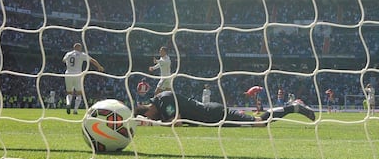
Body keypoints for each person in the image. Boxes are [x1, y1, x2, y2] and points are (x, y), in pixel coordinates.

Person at [134, 91, 315, 127]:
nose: (154, 119)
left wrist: (154, 125)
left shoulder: (163, 100)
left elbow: (177, 122)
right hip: (211, 117)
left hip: (213, 114)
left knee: (260, 123)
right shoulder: (161, 100)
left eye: (149, 118)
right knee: (257, 121)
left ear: (147, 112)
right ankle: (293, 108)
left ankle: (294, 108)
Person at [62, 43, 104, 114]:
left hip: (68, 74)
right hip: (78, 74)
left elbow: (63, 60)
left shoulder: (68, 54)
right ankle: (75, 110)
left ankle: (68, 104)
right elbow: (92, 60)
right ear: (79, 48)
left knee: (69, 92)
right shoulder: (81, 54)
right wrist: (99, 66)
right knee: (79, 93)